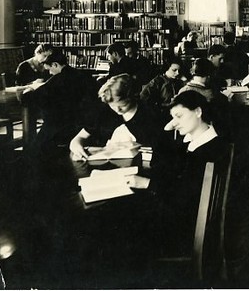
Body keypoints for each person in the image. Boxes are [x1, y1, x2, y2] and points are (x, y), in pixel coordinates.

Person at [124, 91, 229, 257]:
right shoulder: (198, 142)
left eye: (179, 116)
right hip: (187, 219)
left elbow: (183, 195)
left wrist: (147, 184)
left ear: (198, 111)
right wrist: (167, 129)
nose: (174, 123)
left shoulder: (207, 151)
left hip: (185, 230)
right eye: (173, 117)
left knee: (124, 228)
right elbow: (165, 166)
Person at [68, 74, 166, 160]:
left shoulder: (148, 113)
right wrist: (77, 146)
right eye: (113, 106)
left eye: (123, 105)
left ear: (133, 97)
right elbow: (79, 138)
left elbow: (160, 147)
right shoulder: (104, 112)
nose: (118, 110)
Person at [19, 51, 98, 156]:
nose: (50, 73)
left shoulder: (58, 79)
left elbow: (28, 100)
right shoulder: (84, 74)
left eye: (50, 70)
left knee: (34, 148)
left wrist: (27, 90)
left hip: (61, 127)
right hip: (87, 125)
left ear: (55, 64)